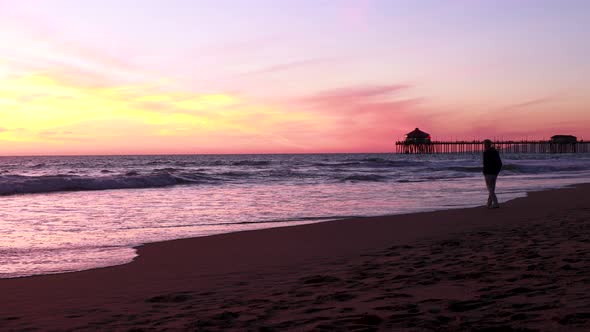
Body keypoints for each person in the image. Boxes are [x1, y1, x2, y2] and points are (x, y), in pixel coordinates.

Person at [483, 139, 502, 208]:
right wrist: (497, 172)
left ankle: (496, 203)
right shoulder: (495, 152)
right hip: (494, 173)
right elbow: (500, 164)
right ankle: (489, 203)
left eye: (484, 144)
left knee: (490, 189)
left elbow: (485, 164)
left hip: (488, 173)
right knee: (492, 189)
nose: (484, 146)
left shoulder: (486, 152)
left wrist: (484, 172)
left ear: (486, 145)